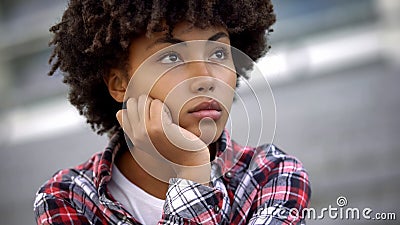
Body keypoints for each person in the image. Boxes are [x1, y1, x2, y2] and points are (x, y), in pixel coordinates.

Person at [34, 0, 311, 224]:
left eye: (217, 54)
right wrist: (190, 171)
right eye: (172, 57)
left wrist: (191, 170)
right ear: (119, 84)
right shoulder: (68, 198)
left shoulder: (271, 176)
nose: (205, 78)